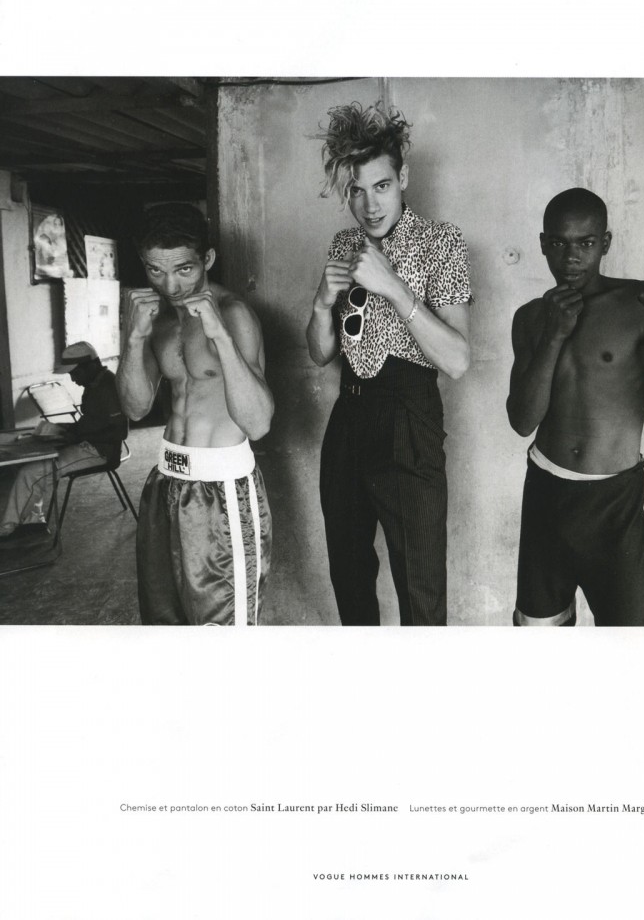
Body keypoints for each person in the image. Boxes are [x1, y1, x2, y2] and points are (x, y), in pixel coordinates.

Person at [507, 188, 644, 627]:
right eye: (559, 243)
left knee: (629, 643)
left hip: (613, 503)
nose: (571, 257)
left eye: (585, 243)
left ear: (605, 243)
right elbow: (523, 421)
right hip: (545, 492)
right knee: (539, 636)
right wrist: (554, 335)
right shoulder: (531, 316)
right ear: (543, 243)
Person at [306, 101, 472, 626]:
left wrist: (394, 288)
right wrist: (320, 306)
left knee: (420, 589)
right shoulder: (343, 244)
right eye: (356, 191)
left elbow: (458, 360)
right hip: (348, 418)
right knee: (349, 577)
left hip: (408, 417)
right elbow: (321, 354)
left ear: (403, 178)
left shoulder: (441, 242)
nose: (369, 204)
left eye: (380, 186)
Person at [118, 204, 274, 626]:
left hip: (222, 491)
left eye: (183, 269)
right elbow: (135, 407)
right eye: (155, 270)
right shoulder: (156, 319)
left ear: (207, 258)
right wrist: (133, 338)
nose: (170, 285)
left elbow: (258, 424)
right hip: (164, 482)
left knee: (220, 634)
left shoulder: (235, 314)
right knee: (163, 624)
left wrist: (219, 335)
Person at [0, 342, 126, 539]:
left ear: (91, 365)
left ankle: (7, 529)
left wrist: (77, 436)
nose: (73, 379)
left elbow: (119, 433)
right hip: (87, 444)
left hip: (99, 452)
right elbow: (93, 423)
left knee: (30, 473)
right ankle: (32, 521)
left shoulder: (108, 387)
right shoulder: (94, 384)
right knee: (31, 464)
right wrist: (66, 429)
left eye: (75, 373)